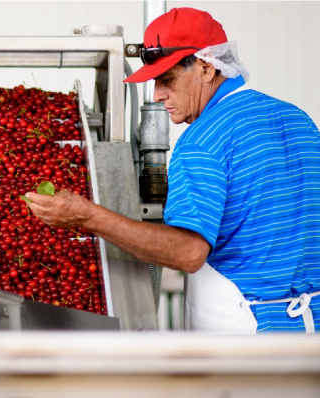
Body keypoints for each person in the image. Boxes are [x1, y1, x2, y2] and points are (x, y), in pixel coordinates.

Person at [25, 7, 320, 333]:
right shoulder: (299, 120)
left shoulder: (203, 139)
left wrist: (88, 218)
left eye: (167, 80)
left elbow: (189, 251)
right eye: (154, 82)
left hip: (248, 337)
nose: (158, 96)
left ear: (206, 68)